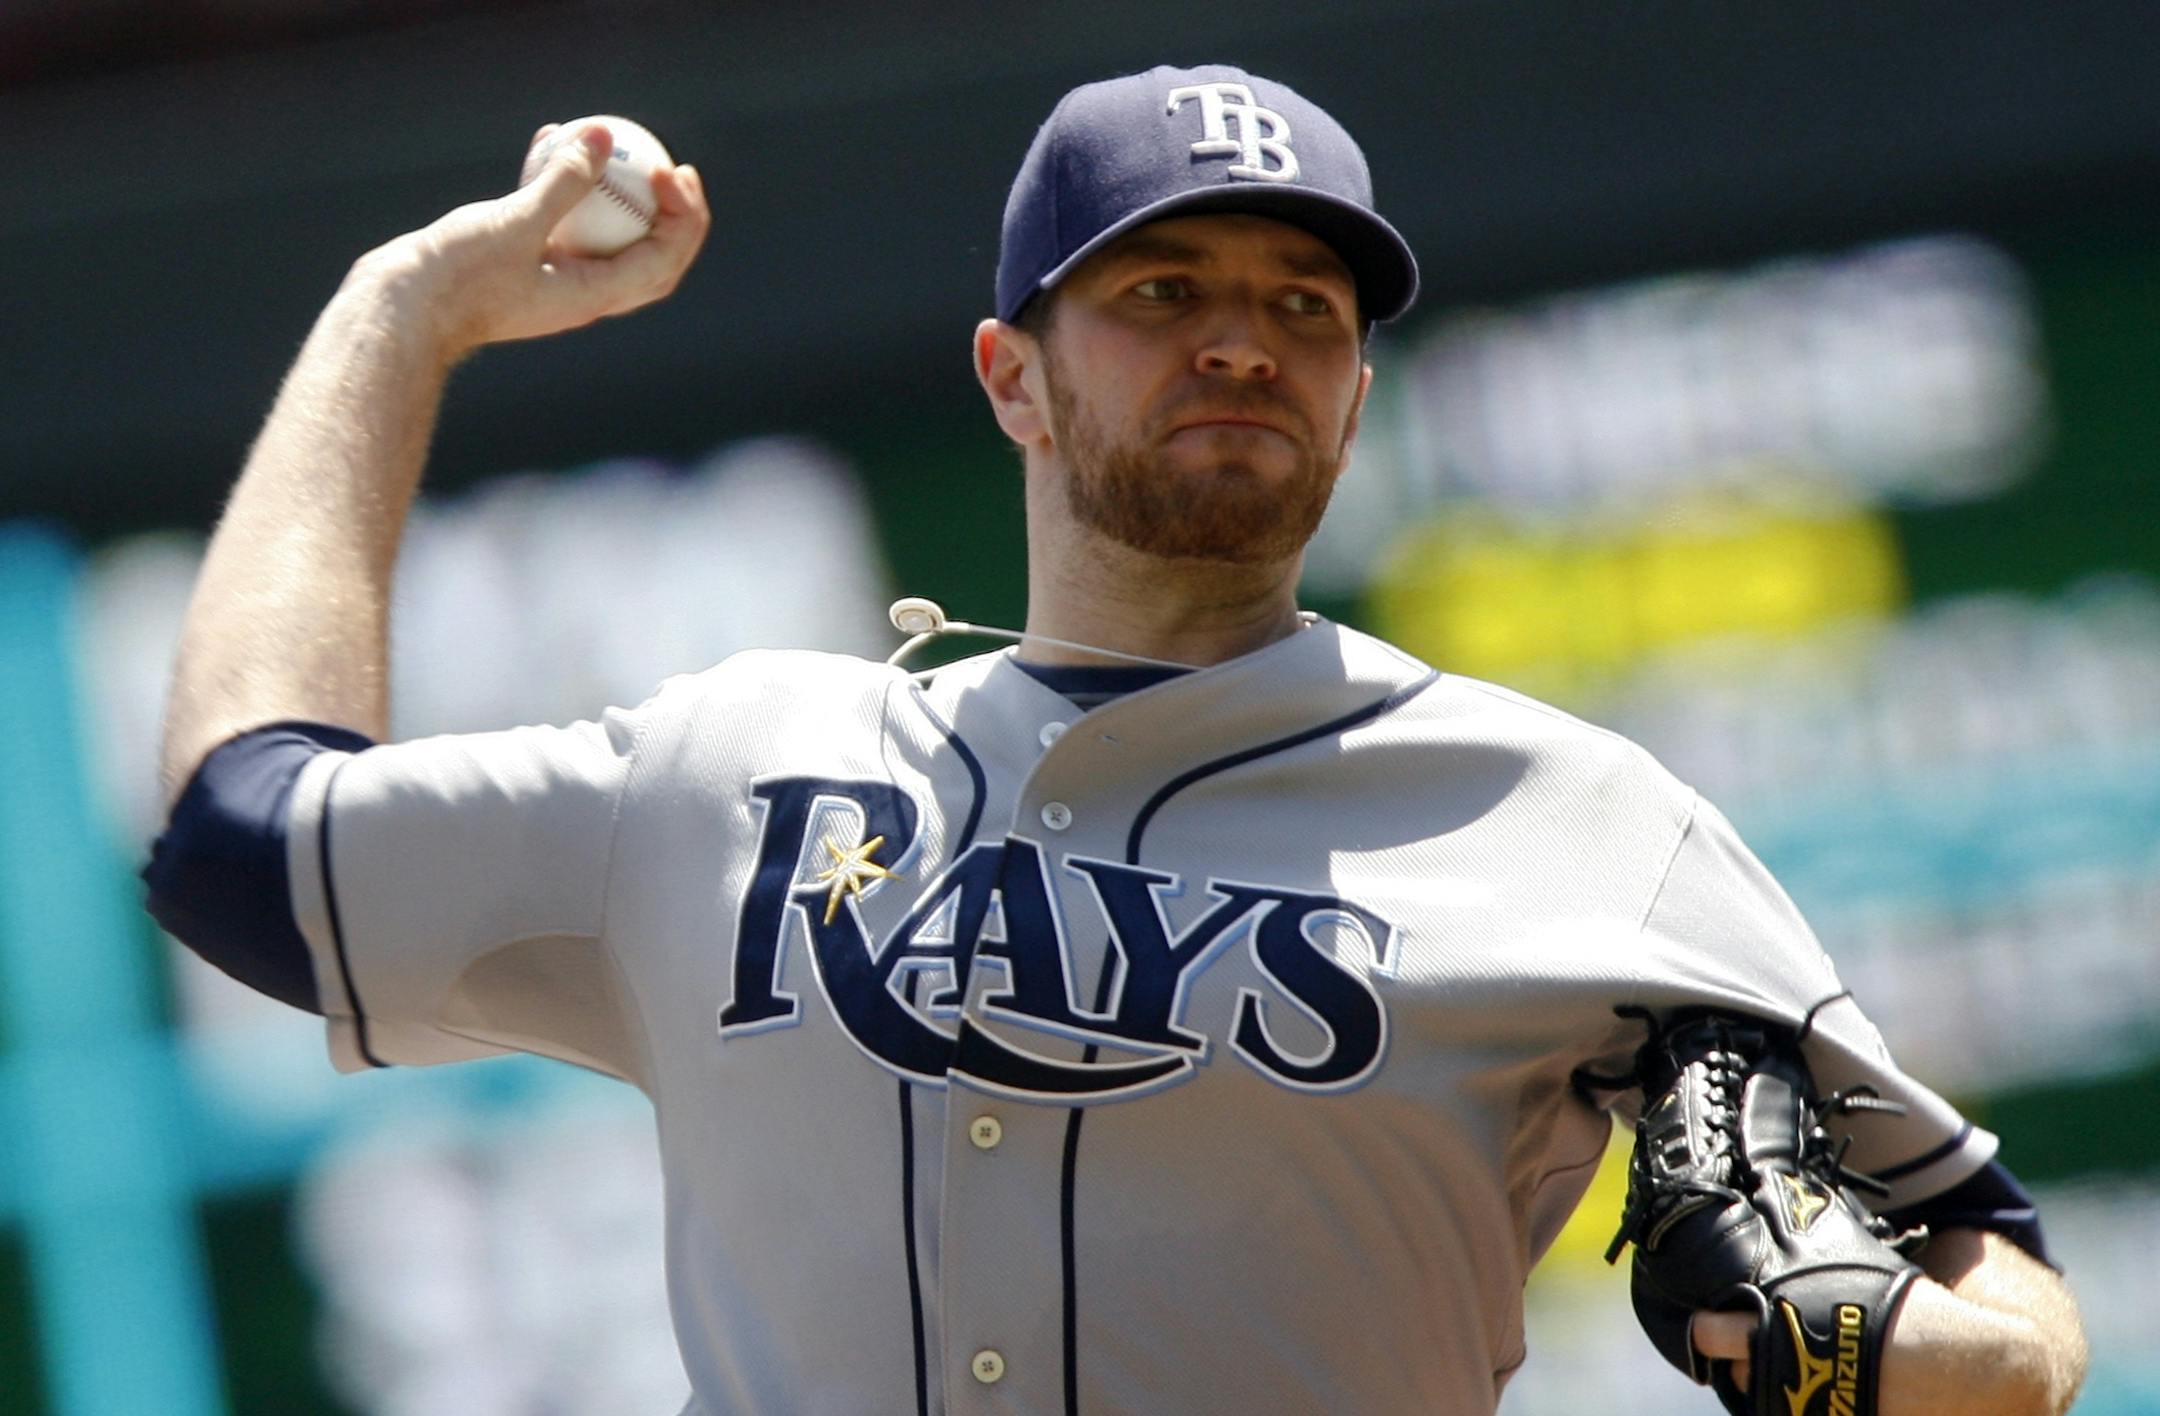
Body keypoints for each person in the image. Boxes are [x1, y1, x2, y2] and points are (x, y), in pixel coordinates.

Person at [148, 64, 2087, 1416]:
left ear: (1349, 401)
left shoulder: (1583, 828)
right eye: (1163, 291)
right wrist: (397, 315)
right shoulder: (727, 772)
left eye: (1302, 306)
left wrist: (1892, 1358)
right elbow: (243, 846)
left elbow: (2009, 1297)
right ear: (1013, 377)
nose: (1242, 338)